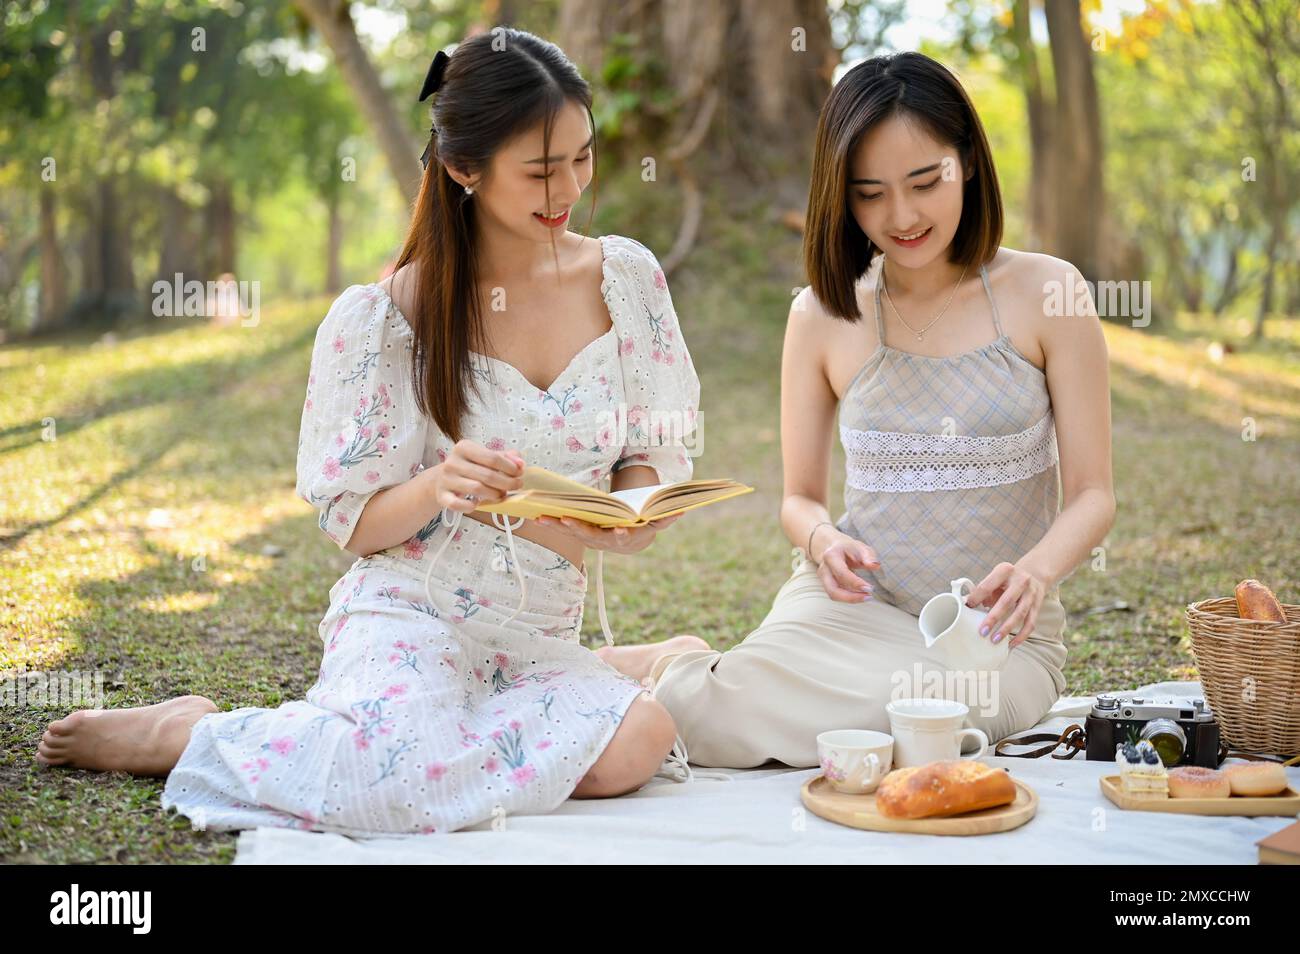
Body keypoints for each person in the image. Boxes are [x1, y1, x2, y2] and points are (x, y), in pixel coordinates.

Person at [34, 28, 713, 835]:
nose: (567, 187)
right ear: (464, 168)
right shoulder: (388, 316)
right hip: (411, 613)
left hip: (536, 635)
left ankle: (594, 677)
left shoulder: (626, 279)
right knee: (391, 779)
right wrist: (440, 486)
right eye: (539, 170)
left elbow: (651, 452)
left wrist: (633, 514)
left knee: (641, 742)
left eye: (582, 157)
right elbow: (354, 522)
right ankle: (188, 731)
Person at [599, 51, 1116, 769]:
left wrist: (1034, 573)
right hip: (849, 610)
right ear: (841, 195)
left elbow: (1094, 494)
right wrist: (821, 543)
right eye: (870, 193)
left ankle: (693, 670)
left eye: (925, 181)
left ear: (967, 159)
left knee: (917, 722)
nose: (901, 216)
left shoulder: (1048, 293)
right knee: (725, 717)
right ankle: (691, 669)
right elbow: (800, 501)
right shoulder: (820, 315)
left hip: (996, 640)